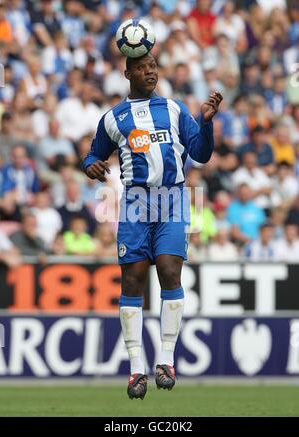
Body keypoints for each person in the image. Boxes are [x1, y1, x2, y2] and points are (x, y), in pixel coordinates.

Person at [83, 52, 222, 399]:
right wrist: (91, 166)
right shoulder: (114, 118)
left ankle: (166, 361)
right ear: (127, 72)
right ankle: (135, 370)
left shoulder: (174, 110)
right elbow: (92, 154)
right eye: (142, 67)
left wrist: (205, 122)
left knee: (169, 271)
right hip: (134, 203)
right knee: (132, 280)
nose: (150, 72)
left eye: (153, 67)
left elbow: (201, 154)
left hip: (172, 199)